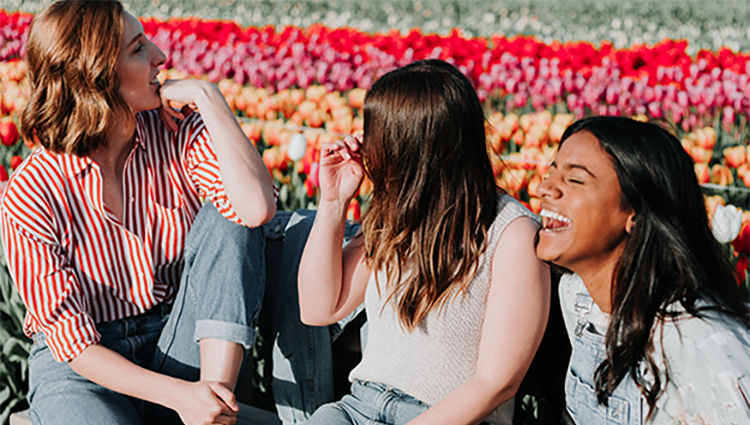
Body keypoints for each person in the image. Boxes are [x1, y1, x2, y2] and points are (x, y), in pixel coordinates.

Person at [0, 0, 277, 424]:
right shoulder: (33, 191)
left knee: (229, 216)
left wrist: (209, 97)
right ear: (93, 76)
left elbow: (254, 210)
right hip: (85, 369)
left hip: (175, 340)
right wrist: (178, 396)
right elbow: (73, 345)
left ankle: (213, 410)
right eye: (137, 49)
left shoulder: (176, 133)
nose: (160, 56)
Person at [297, 59, 551, 425]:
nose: (368, 148)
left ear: (415, 148)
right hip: (359, 408)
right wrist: (333, 202)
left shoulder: (512, 233)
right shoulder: (396, 217)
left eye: (379, 135)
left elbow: (497, 383)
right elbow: (318, 309)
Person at [535, 116, 750, 424]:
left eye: (576, 180)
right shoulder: (578, 298)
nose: (544, 188)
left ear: (635, 214)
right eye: (551, 172)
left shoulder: (703, 342)